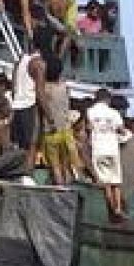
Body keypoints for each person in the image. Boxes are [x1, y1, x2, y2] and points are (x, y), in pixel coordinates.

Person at [37, 53, 82, 185]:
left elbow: (41, 102)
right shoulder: (65, 87)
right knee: (65, 163)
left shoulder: (44, 89)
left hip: (50, 131)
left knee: (55, 166)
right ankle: (68, 187)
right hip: (66, 131)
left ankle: (60, 189)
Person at [84, 89, 128, 222]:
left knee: (105, 183)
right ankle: (118, 209)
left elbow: (88, 128)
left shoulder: (89, 112)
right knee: (116, 182)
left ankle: (111, 209)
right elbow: (121, 130)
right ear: (108, 99)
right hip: (112, 149)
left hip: (98, 149)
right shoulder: (114, 113)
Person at [8, 47, 44, 171]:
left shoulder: (19, 62)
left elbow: (13, 88)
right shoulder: (38, 63)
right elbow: (39, 91)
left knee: (20, 145)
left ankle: (18, 171)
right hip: (30, 105)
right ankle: (27, 173)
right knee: (31, 144)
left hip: (17, 105)